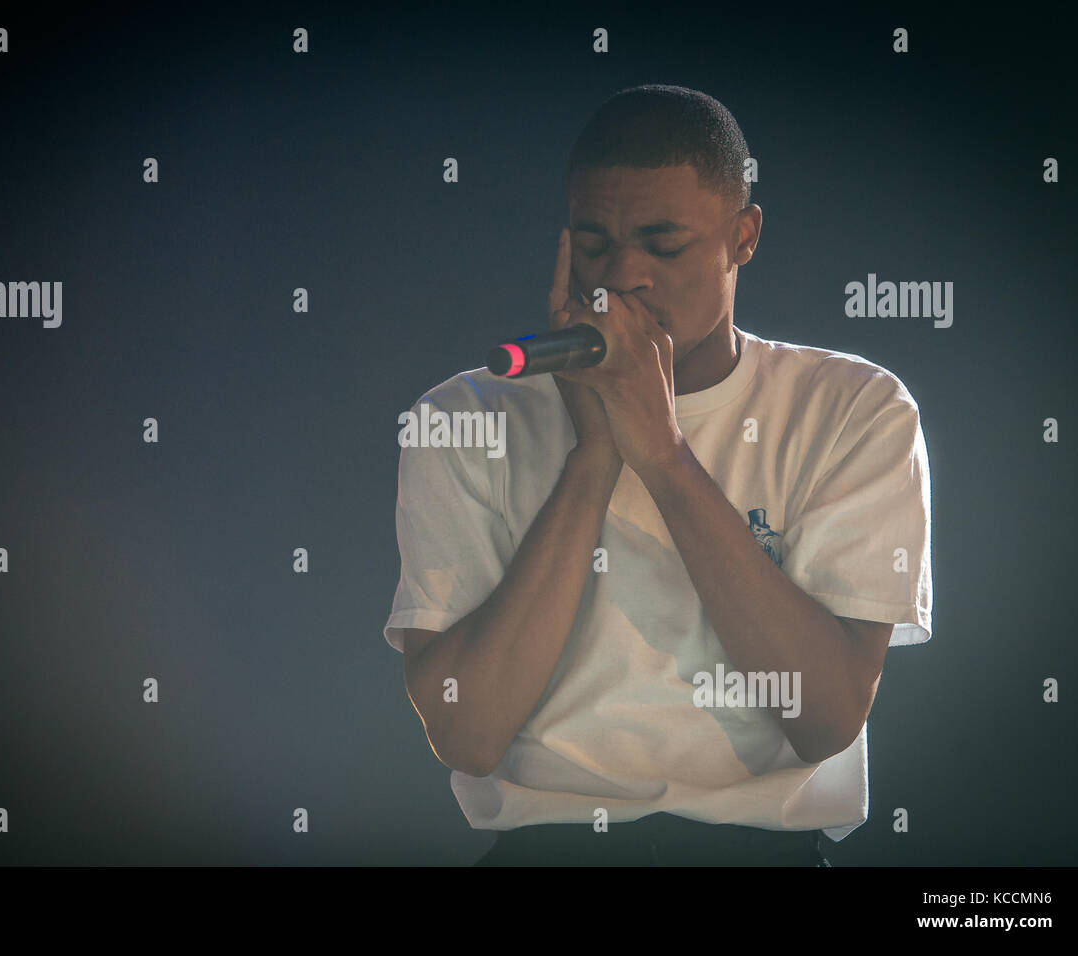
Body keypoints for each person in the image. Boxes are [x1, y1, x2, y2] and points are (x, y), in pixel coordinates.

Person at [383, 85, 933, 866]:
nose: (622, 276)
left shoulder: (855, 408)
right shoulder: (461, 414)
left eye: (662, 243)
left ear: (743, 236)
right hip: (547, 850)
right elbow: (467, 734)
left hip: (761, 850)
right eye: (594, 242)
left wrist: (665, 456)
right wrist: (594, 458)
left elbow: (827, 716)